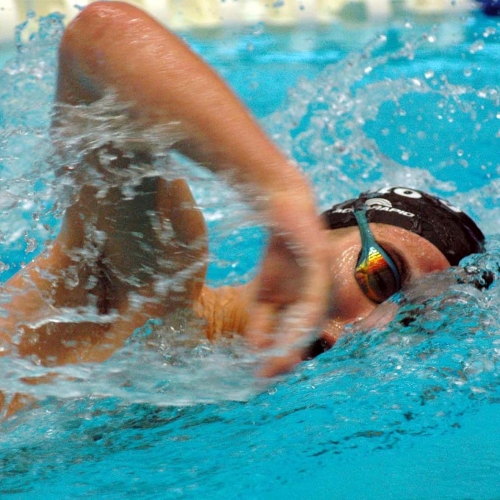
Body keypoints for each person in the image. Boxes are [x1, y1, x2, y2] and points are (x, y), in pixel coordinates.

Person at [0, 2, 485, 417]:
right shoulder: (152, 279)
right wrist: (280, 193)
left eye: (408, 326)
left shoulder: (225, 401)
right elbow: (98, 41)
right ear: (320, 234)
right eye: (380, 275)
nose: (365, 329)